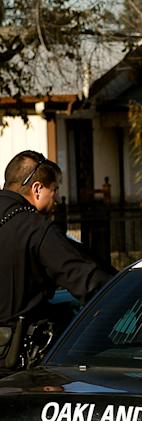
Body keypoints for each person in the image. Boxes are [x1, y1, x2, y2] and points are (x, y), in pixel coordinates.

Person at [1, 151, 112, 370]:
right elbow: (87, 281)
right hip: (14, 370)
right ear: (37, 189)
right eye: (55, 190)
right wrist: (129, 296)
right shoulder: (36, 229)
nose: (56, 199)